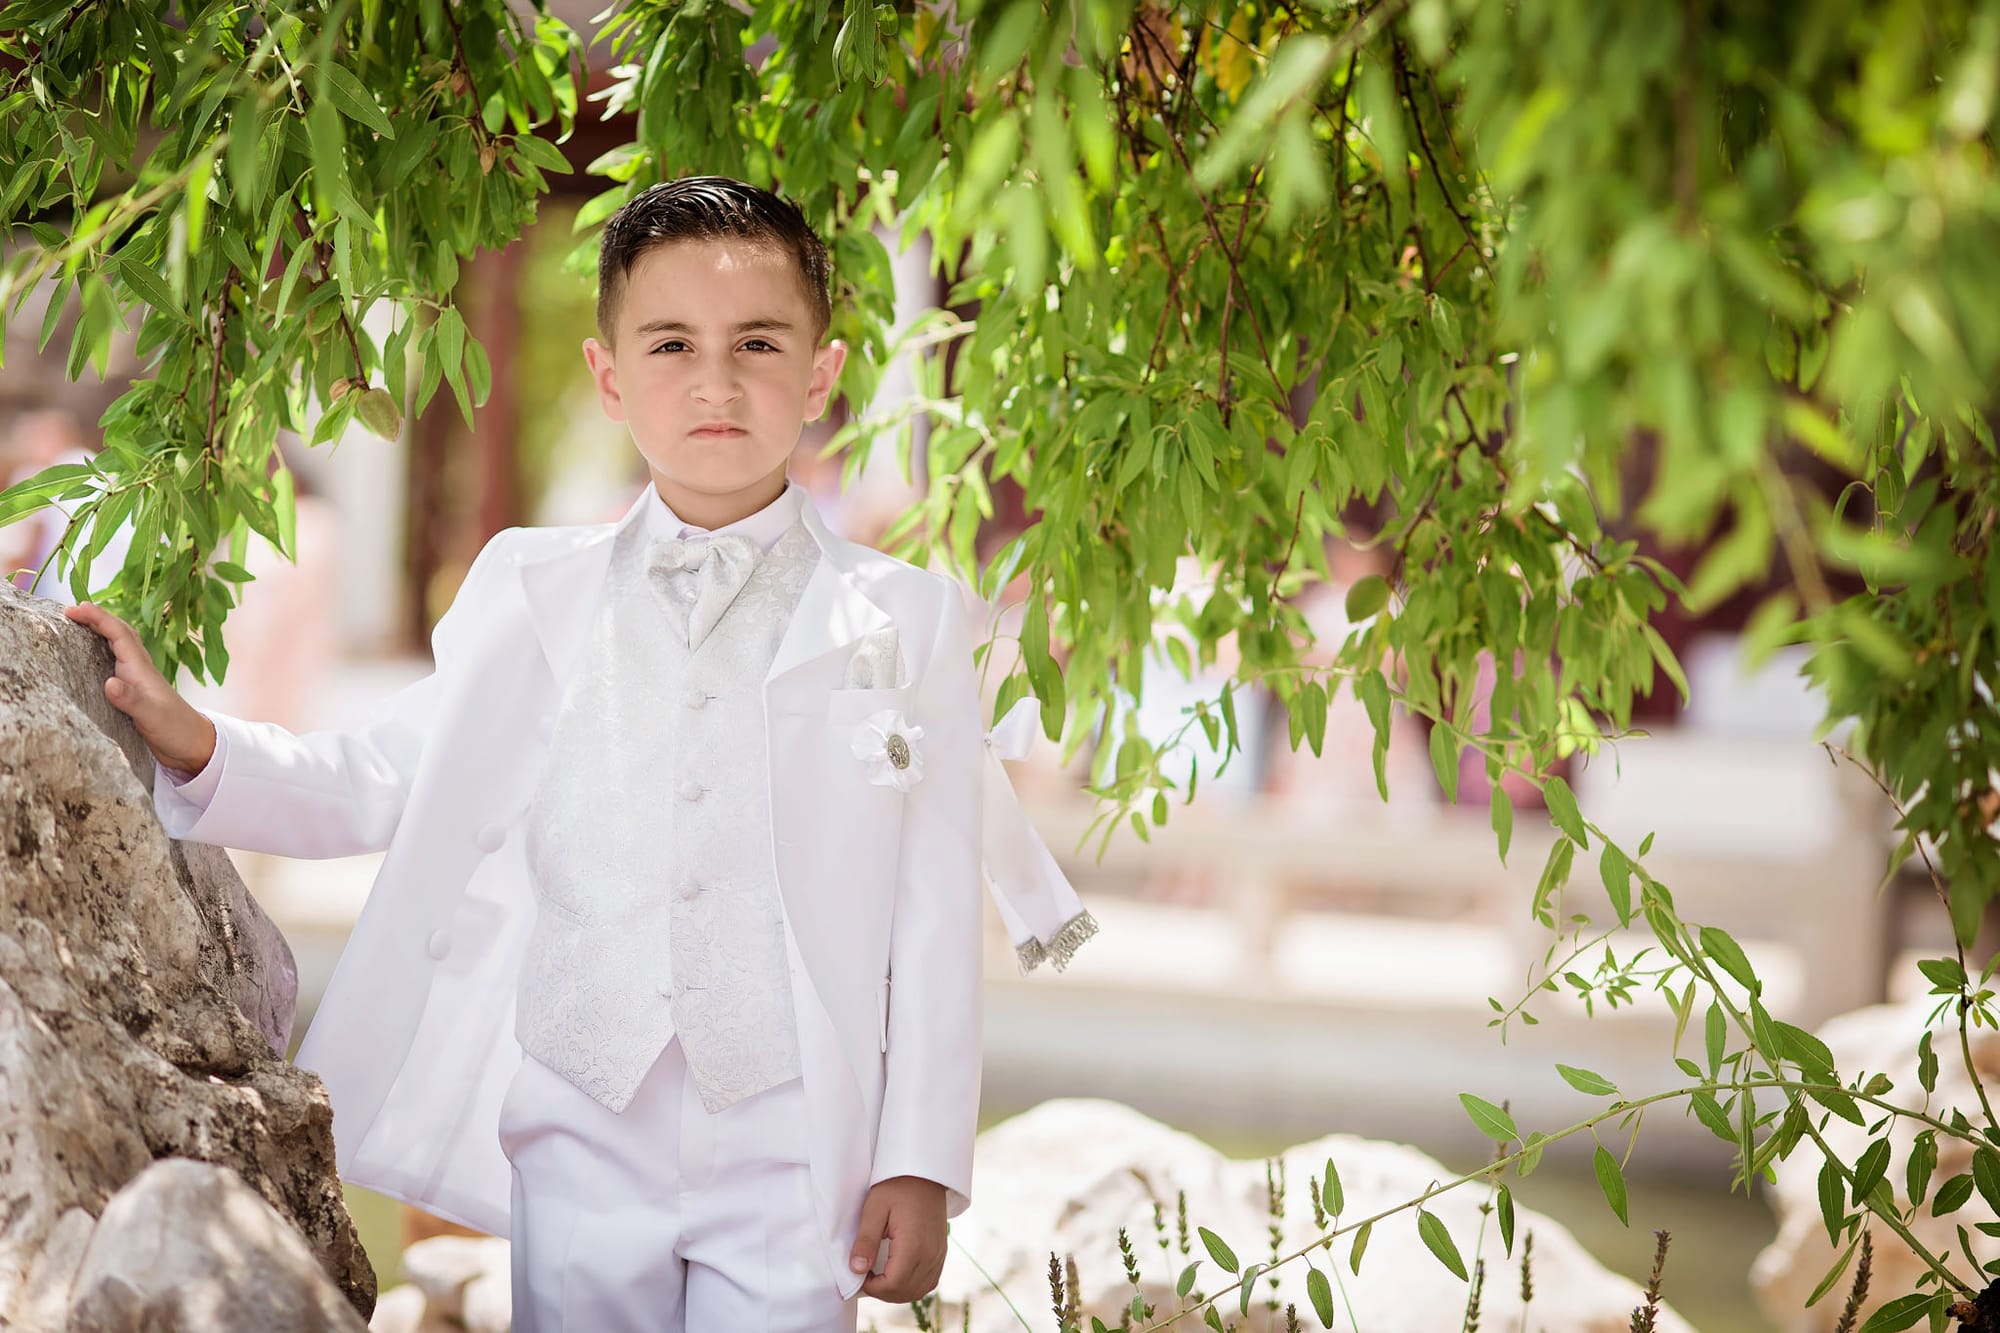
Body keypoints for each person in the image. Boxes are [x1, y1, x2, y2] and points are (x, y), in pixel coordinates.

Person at [66, 176, 1092, 1333]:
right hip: (578, 1116)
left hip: (799, 1140)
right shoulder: (529, 587)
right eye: (670, 344)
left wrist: (918, 1155)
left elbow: (934, 911)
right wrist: (193, 736)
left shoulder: (904, 618)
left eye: (758, 341)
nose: (715, 380)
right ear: (609, 377)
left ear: (820, 373)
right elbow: (387, 779)